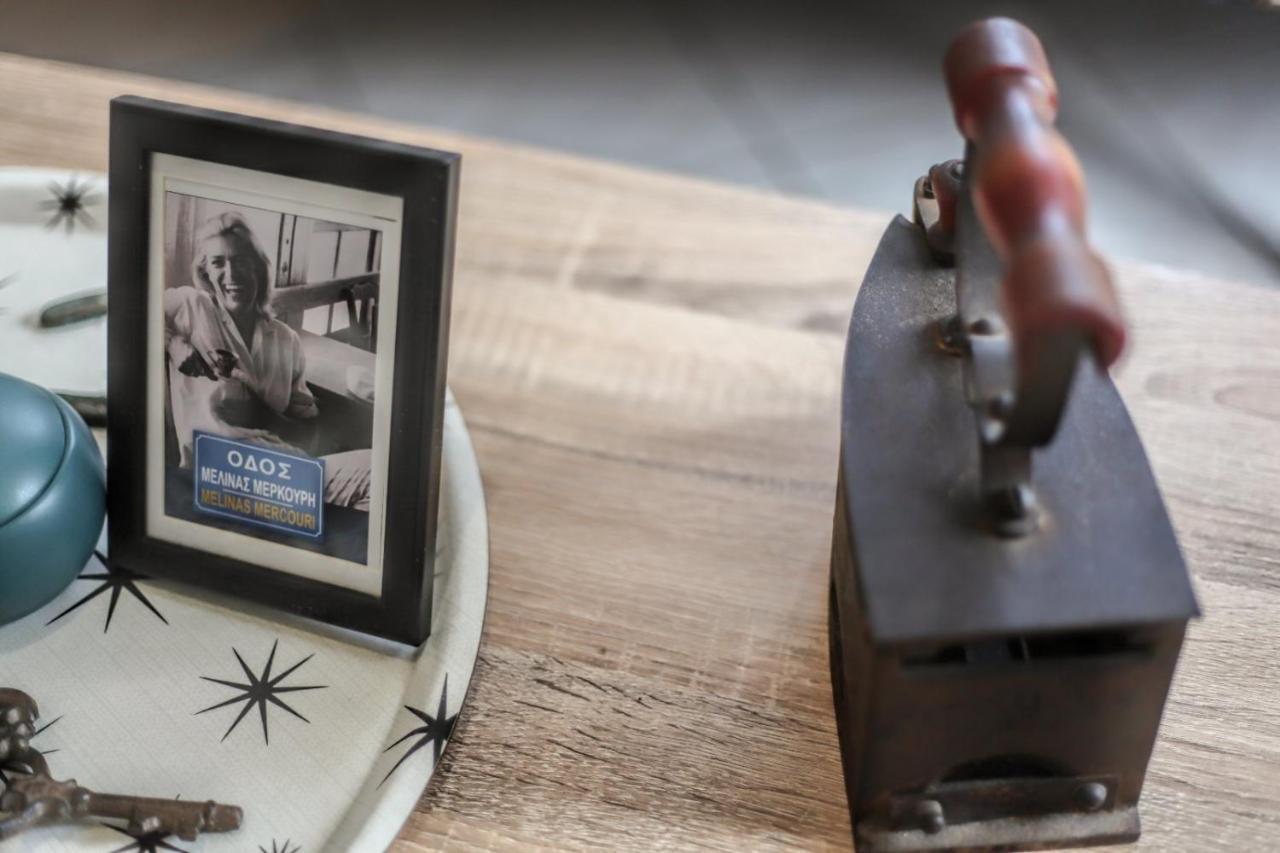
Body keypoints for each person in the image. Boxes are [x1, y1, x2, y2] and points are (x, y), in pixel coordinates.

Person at [165, 211, 371, 511]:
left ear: (259, 269)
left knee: (382, 478)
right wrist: (173, 344)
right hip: (220, 480)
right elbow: (134, 309)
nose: (232, 275)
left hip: (283, 474)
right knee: (378, 475)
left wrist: (261, 414)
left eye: (241, 261)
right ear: (206, 273)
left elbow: (307, 430)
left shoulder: (287, 340)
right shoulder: (191, 307)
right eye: (218, 263)